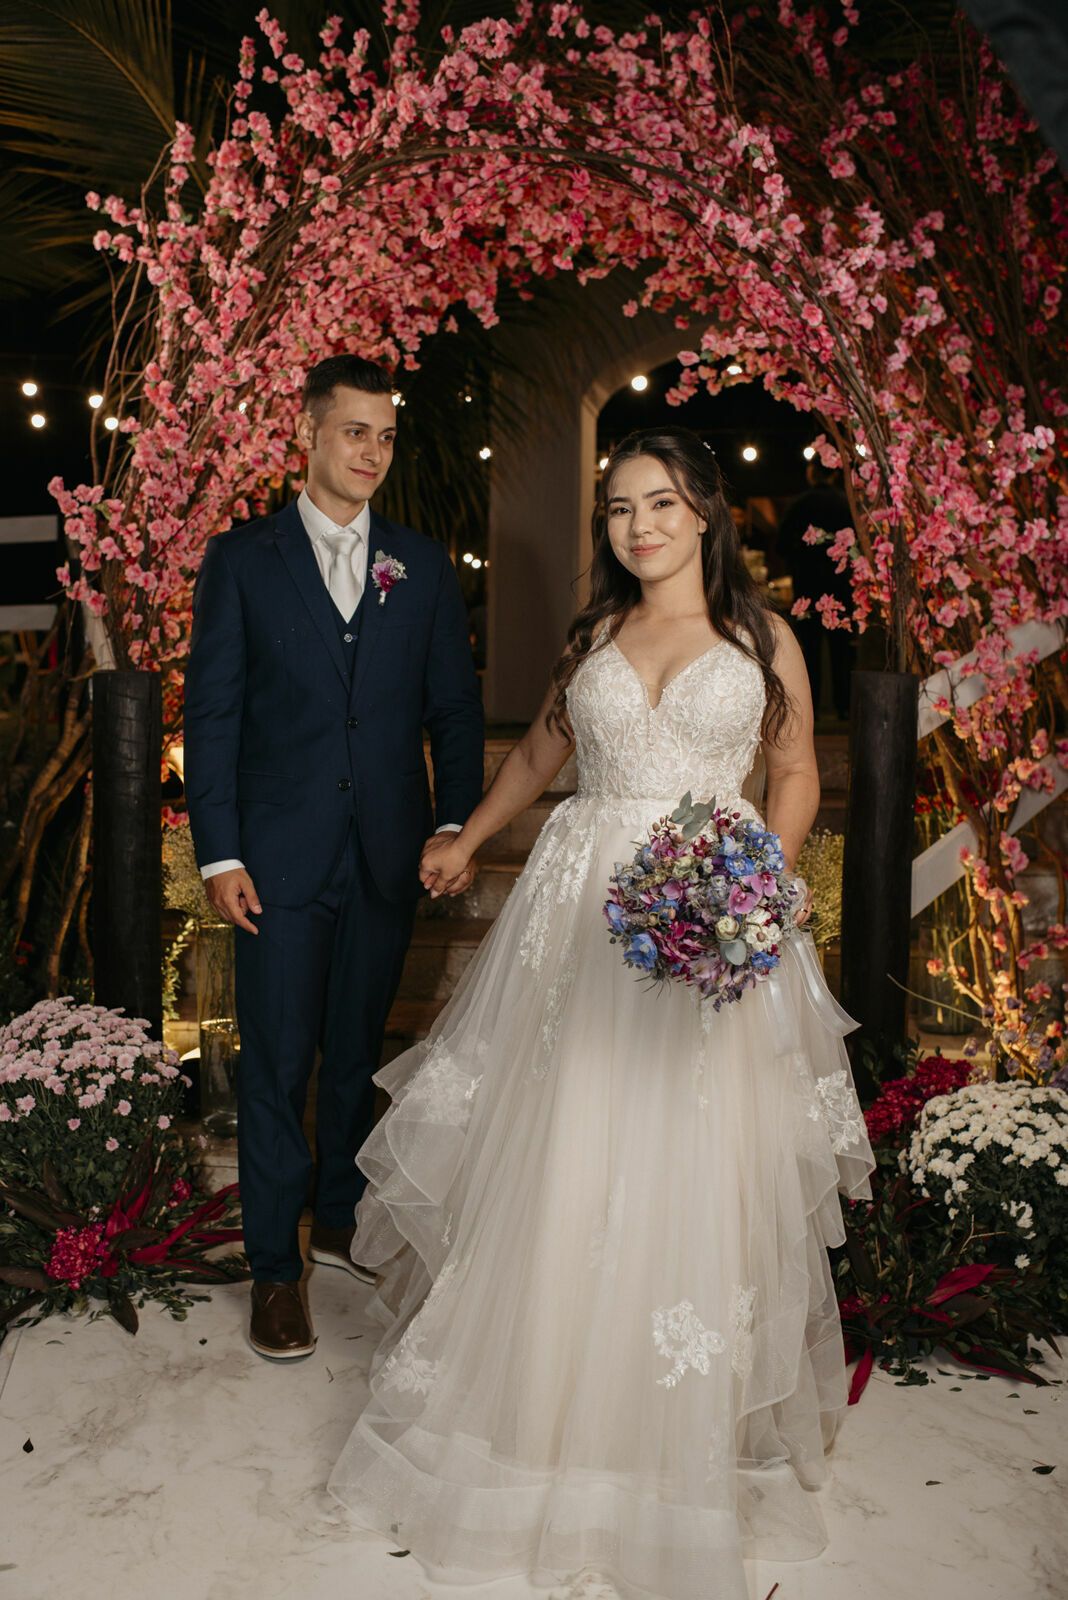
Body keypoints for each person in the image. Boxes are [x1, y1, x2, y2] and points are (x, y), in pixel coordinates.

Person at [328, 428, 874, 1600]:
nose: (639, 527)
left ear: (708, 511)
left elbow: (793, 774)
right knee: (571, 1143)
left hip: (712, 916)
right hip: (582, 916)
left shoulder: (761, 635)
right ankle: (544, 1420)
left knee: (689, 1159)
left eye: (663, 504)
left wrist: (753, 890)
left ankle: (663, 1436)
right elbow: (538, 751)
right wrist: (466, 835)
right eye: (621, 508)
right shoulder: (593, 637)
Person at [183, 354, 484, 1360]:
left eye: (385, 435)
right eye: (354, 431)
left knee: (357, 1049)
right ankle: (277, 1266)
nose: (372, 452)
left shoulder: (422, 565)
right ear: (306, 435)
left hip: (388, 856)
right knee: (277, 1062)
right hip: (274, 860)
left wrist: (453, 823)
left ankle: (344, 1212)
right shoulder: (243, 560)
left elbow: (454, 709)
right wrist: (219, 852)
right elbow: (213, 716)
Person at [775, 459, 856, 720]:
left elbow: (781, 546)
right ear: (834, 474)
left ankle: (811, 711)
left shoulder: (799, 504)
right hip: (842, 588)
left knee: (808, 652)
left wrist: (803, 556)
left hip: (807, 588)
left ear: (811, 473)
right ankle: (845, 708)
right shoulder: (847, 504)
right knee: (843, 650)